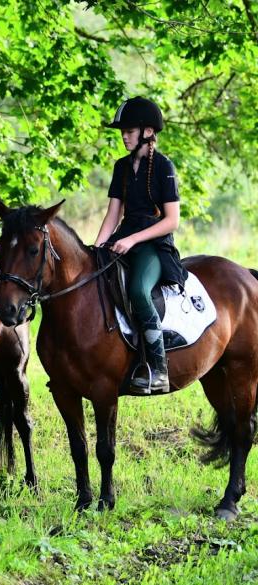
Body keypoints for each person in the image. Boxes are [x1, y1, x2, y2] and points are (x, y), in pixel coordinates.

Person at [94, 96, 187, 395]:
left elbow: (172, 220)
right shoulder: (121, 167)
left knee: (137, 291)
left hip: (154, 246)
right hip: (122, 240)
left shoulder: (163, 166)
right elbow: (112, 215)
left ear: (147, 132)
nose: (123, 135)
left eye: (129, 130)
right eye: (122, 131)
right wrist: (96, 249)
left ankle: (158, 369)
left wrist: (132, 238)